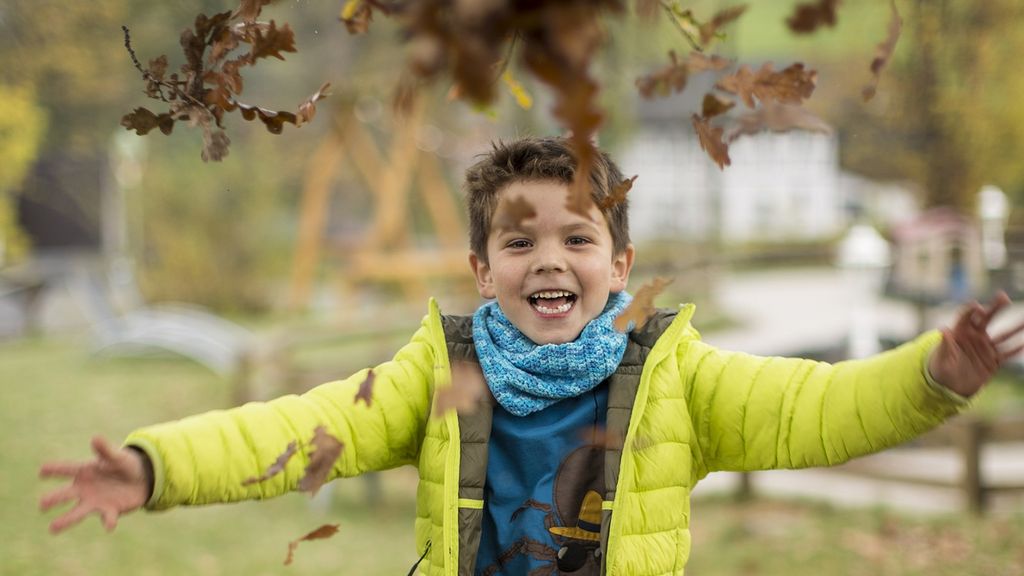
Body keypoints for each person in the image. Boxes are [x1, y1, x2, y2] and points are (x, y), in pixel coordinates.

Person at [40, 136, 1024, 575]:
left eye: (576, 239)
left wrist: (928, 376)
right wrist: (158, 465)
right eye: (519, 242)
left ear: (620, 263)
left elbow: (817, 409)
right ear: (481, 269)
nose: (547, 260)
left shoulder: (677, 378)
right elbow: (300, 428)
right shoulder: (440, 376)